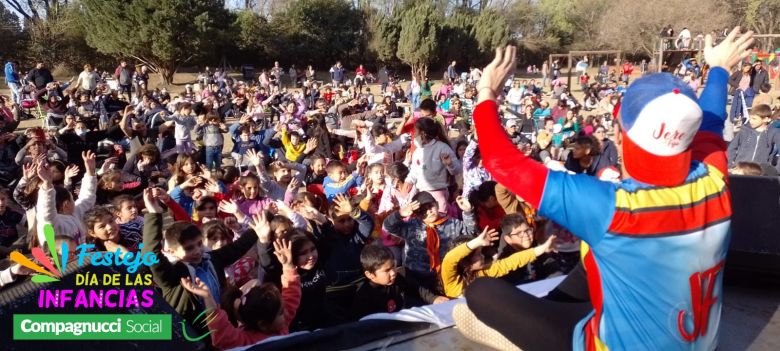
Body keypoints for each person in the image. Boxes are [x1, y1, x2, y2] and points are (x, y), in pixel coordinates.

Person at [455, 27, 753, 351]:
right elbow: (710, 123)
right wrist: (720, 68)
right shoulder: (714, 181)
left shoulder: (613, 209)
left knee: (479, 293)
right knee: (595, 257)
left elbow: (501, 162)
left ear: (621, 135)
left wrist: (487, 90)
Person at [441, 227, 555, 298]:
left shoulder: (484, 272)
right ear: (465, 262)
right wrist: (476, 242)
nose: (483, 255)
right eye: (478, 254)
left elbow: (512, 261)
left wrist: (542, 248)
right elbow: (450, 259)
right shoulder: (452, 281)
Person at [350, 245, 446, 320]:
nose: (393, 273)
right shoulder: (364, 296)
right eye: (387, 270)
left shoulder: (401, 276)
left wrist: (434, 299)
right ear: (370, 274)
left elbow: (418, 289)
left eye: (393, 266)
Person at [727, 104, 780, 169]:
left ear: (766, 119)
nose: (750, 121)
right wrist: (729, 165)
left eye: (754, 119)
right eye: (750, 118)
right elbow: (732, 148)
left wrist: (776, 170)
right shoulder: (744, 130)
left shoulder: (774, 132)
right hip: (741, 168)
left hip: (761, 171)